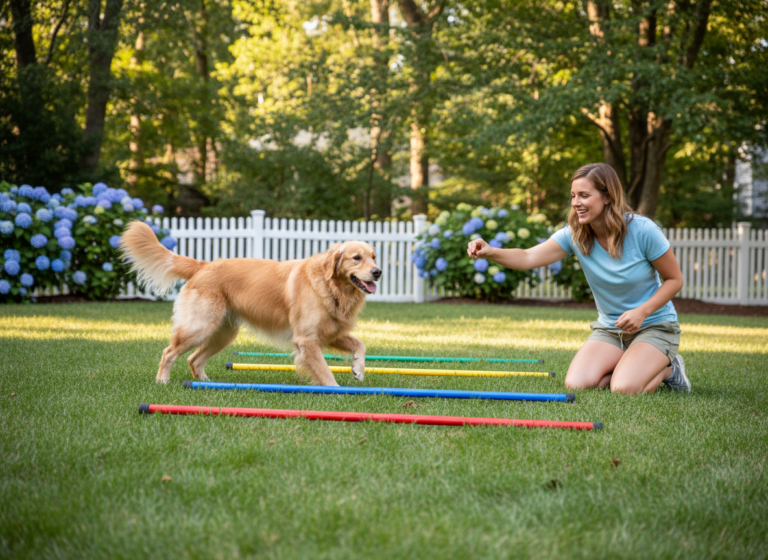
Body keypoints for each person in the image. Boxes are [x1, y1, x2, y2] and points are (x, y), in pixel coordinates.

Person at [467, 163, 690, 394]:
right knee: (576, 384)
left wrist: (642, 311)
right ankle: (631, 364)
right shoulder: (575, 234)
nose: (576, 203)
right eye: (573, 196)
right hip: (611, 329)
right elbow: (527, 257)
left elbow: (674, 280)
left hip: (654, 325)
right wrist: (490, 251)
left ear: (607, 197)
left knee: (624, 389)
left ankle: (670, 369)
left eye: (584, 195)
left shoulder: (643, 231)